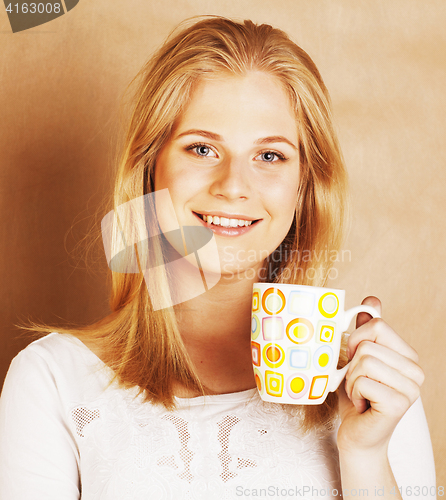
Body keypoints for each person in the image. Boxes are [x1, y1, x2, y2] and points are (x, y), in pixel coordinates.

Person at [0, 16, 436, 500]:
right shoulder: (53, 382)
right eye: (203, 148)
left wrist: (365, 455)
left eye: (269, 156)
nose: (233, 186)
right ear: (151, 169)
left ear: (303, 187)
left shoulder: (374, 386)